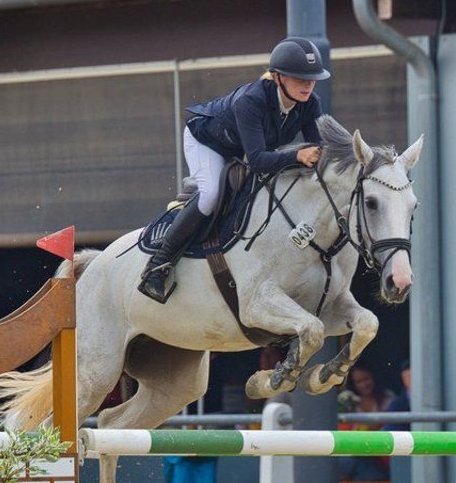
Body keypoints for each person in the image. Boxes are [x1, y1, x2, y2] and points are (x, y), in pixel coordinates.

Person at [138, 37, 331, 303]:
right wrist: (297, 155)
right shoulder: (252, 101)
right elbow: (258, 161)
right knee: (211, 196)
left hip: (244, 148)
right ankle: (157, 268)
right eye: (300, 78)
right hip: (207, 141)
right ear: (277, 77)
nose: (308, 84)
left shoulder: (310, 103)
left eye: (312, 78)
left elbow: (317, 149)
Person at [337, 365, 395, 483]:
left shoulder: (389, 400)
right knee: (350, 459)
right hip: (360, 462)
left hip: (383, 460)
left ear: (375, 378)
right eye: (359, 381)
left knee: (348, 462)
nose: (364, 384)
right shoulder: (349, 403)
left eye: (367, 379)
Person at [383, 358, 411, 430]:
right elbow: (391, 428)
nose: (410, 381)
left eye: (413, 377)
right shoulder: (397, 404)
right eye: (407, 378)